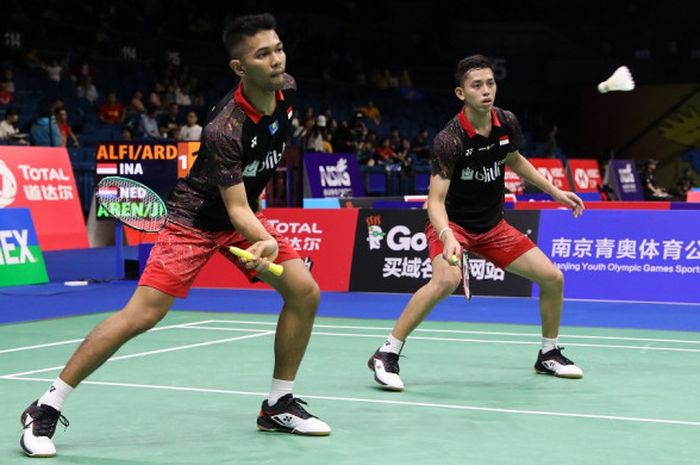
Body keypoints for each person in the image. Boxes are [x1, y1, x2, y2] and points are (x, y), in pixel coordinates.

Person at [19, 13, 331, 458]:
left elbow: (250, 192)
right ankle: (45, 406)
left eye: (278, 48)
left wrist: (262, 237)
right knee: (142, 315)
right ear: (240, 68)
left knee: (305, 292)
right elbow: (236, 206)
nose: (277, 59)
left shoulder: (287, 92)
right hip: (194, 221)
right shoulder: (225, 127)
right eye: (263, 54)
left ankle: (277, 405)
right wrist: (263, 239)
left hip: (239, 219)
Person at [367, 55, 585, 392]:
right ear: (460, 93)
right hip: (451, 224)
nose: (486, 91)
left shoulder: (506, 122)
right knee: (446, 279)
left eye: (490, 83)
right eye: (477, 85)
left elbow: (513, 158)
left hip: (492, 226)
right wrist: (446, 235)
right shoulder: (450, 140)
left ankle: (549, 353)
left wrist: (554, 191)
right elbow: (435, 202)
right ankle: (387, 352)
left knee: (552, 278)